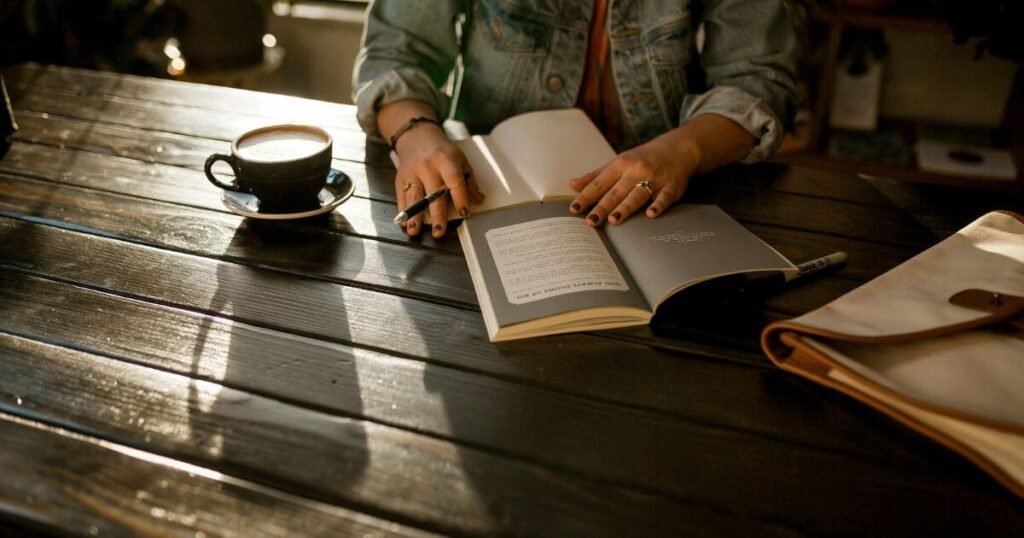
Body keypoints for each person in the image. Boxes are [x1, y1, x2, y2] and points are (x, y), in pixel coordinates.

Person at [354, 0, 799, 238]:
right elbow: (398, 50)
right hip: (486, 198)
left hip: (665, 203)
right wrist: (417, 136)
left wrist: (680, 150)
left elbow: (757, 81)